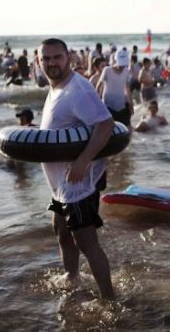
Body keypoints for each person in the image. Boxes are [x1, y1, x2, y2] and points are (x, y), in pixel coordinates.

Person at [38, 38, 115, 300]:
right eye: (46, 58)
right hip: (60, 184)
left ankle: (109, 299)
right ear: (39, 61)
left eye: (56, 57)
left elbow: (105, 124)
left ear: (68, 58)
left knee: (86, 242)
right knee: (61, 230)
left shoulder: (77, 89)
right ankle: (72, 278)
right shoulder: (56, 87)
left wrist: (83, 161)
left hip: (77, 183)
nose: (51, 63)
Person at [96, 49, 133, 127]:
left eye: (124, 64)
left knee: (126, 128)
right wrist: (97, 102)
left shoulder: (126, 71)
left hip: (121, 104)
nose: (122, 66)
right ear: (116, 60)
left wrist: (130, 104)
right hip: (107, 105)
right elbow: (99, 85)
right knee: (109, 128)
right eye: (121, 64)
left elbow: (127, 89)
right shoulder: (107, 70)